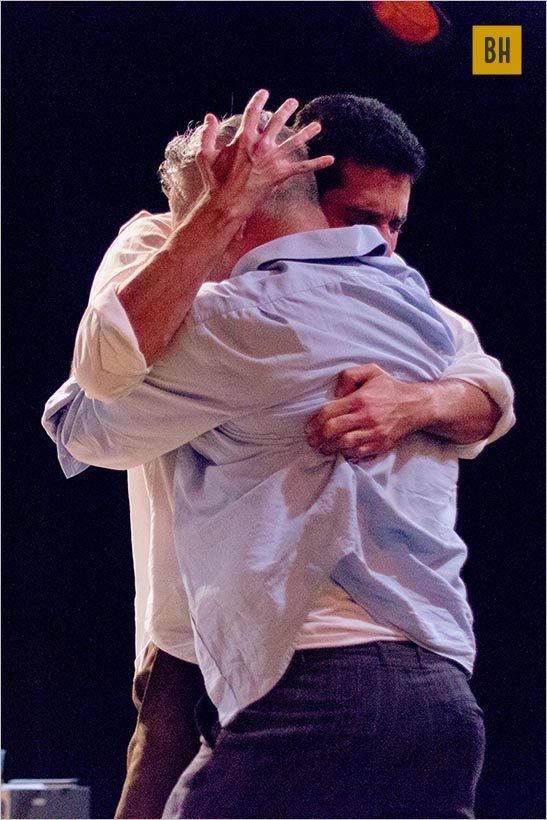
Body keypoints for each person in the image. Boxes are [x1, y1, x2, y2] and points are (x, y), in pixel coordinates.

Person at [44, 91, 514, 818]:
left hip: (308, 653)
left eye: (395, 225)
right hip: (227, 639)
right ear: (296, 192)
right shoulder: (167, 250)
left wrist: (413, 403)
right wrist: (216, 222)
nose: (382, 245)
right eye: (361, 220)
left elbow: (86, 410)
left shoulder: (339, 298)